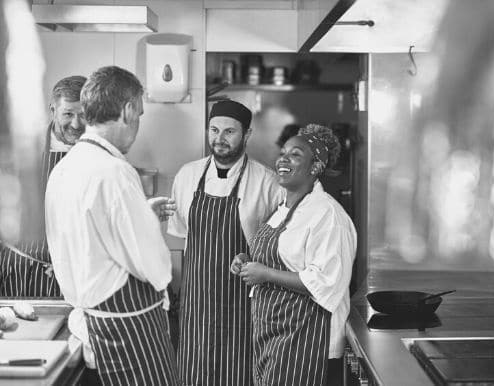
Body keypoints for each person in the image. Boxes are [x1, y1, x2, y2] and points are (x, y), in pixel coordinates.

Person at [45, 66, 179, 386]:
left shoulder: (66, 168)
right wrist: (144, 225)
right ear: (128, 110)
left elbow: (91, 234)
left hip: (97, 321)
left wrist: (139, 214)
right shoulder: (114, 171)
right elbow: (154, 266)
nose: (137, 125)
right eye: (139, 114)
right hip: (130, 332)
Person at [231, 123, 356, 386]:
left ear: (316, 167)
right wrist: (247, 260)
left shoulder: (328, 215)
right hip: (273, 337)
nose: (283, 159)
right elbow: (284, 256)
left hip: (306, 342)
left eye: (296, 154)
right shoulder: (282, 209)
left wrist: (264, 273)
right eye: (283, 152)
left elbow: (325, 282)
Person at [168, 99, 283, 386]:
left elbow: (280, 249)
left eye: (229, 132)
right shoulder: (187, 176)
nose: (219, 139)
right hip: (195, 304)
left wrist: (253, 257)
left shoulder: (268, 183)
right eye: (214, 130)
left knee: (240, 375)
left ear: (247, 135)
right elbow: (182, 237)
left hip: (243, 305)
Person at [0, 75, 87, 297]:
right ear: (53, 109)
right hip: (21, 270)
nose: (76, 124)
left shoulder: (99, 152)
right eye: (68, 113)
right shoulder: (26, 149)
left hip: (77, 274)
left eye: (83, 115)